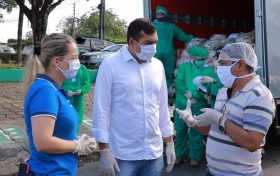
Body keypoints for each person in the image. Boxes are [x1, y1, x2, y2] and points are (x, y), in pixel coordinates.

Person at [92, 18, 175, 176]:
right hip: (123, 156)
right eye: (148, 42)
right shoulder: (110, 66)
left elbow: (162, 106)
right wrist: (104, 151)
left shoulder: (158, 66)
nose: (153, 47)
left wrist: (169, 142)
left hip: (154, 153)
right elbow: (101, 110)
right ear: (132, 42)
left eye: (155, 42)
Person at [177, 42, 275, 175]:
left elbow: (252, 143)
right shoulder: (224, 91)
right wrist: (193, 122)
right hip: (212, 171)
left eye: (222, 63)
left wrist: (219, 119)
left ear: (240, 64)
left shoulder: (259, 96)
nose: (218, 69)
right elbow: (214, 130)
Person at [23, 33, 97, 175]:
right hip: (50, 171)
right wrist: (77, 145)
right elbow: (43, 142)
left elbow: (57, 130)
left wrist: (75, 139)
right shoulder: (45, 91)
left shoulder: (54, 88)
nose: (78, 63)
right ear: (57, 61)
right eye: (74, 58)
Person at [174, 46, 221, 167]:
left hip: (199, 104)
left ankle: (194, 156)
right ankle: (178, 155)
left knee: (197, 131)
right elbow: (179, 81)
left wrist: (199, 95)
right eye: (198, 58)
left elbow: (210, 89)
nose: (201, 60)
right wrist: (186, 93)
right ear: (192, 57)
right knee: (180, 131)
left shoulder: (209, 71)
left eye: (203, 58)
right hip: (183, 103)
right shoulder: (185, 67)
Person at [153, 5, 194, 89]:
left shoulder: (169, 26)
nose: (159, 15)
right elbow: (183, 36)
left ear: (165, 15)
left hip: (162, 52)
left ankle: (166, 90)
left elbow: (182, 36)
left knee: (165, 71)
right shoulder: (153, 26)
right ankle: (161, 89)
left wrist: (193, 39)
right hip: (161, 52)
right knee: (159, 72)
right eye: (158, 13)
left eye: (161, 13)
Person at [63, 47, 91, 133]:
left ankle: (74, 135)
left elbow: (87, 83)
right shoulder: (63, 68)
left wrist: (82, 90)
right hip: (65, 97)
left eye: (76, 57)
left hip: (78, 97)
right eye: (72, 58)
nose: (74, 60)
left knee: (78, 117)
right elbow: (58, 83)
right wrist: (66, 91)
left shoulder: (83, 69)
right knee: (65, 116)